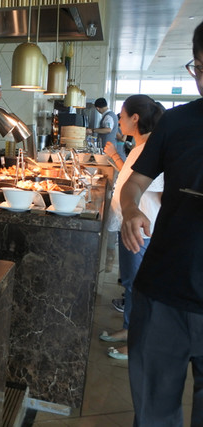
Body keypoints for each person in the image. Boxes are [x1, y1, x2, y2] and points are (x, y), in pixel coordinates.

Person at [119, 20, 203, 426]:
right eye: (201, 68)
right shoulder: (177, 122)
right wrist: (130, 210)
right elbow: (134, 184)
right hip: (163, 293)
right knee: (153, 414)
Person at [98, 95, 165, 361]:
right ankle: (129, 329)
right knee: (130, 283)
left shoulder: (152, 149)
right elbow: (131, 177)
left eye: (122, 115)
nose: (119, 120)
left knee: (139, 286)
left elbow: (162, 192)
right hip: (129, 227)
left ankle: (138, 343)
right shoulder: (140, 148)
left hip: (142, 231)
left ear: (135, 118)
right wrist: (115, 156)